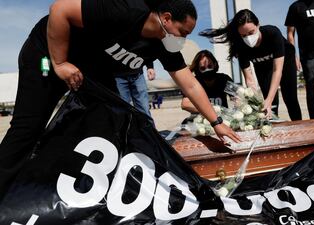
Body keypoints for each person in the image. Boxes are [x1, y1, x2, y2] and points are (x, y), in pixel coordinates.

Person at [0, 0, 240, 194]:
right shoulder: (125, 9)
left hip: (86, 71)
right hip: (46, 55)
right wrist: (60, 63)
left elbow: (190, 84)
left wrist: (216, 123)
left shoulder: (164, 44)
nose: (184, 39)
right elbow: (60, 10)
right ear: (166, 18)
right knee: (28, 127)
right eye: (183, 32)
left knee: (110, 123)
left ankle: (76, 183)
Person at [200, 9, 302, 121]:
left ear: (258, 25)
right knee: (269, 105)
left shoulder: (272, 33)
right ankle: (272, 127)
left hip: (285, 62)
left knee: (290, 99)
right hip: (262, 66)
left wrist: (268, 99)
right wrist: (255, 102)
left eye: (251, 32)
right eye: (243, 35)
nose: (248, 38)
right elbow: (249, 80)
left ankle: (300, 128)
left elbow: (277, 70)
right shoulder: (241, 46)